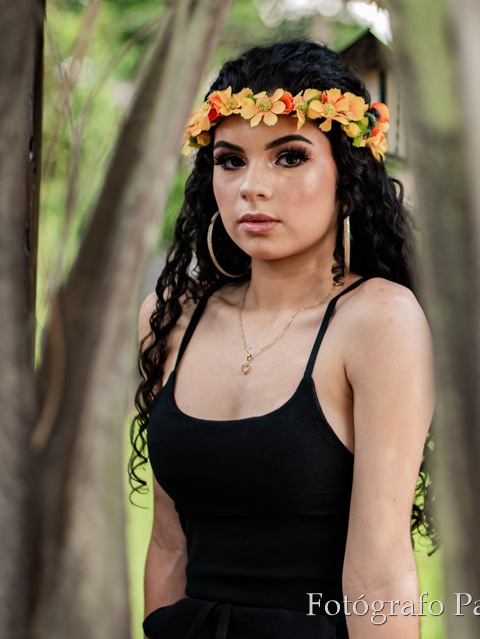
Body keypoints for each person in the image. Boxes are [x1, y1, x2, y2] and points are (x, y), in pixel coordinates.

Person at [131, 41, 436, 639]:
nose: (252, 186)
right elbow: (168, 546)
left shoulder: (377, 321)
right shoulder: (170, 317)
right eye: (230, 160)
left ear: (347, 175)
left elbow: (380, 571)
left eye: (289, 157)